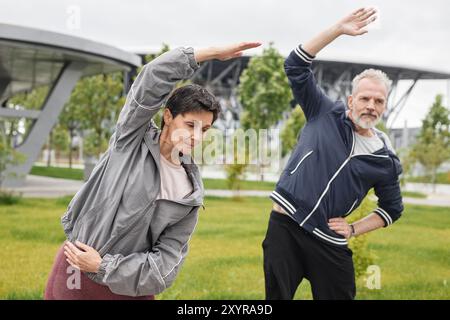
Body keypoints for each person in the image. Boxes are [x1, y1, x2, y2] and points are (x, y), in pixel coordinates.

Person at [44, 42, 261, 299]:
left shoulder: (190, 193)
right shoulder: (131, 139)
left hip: (129, 289)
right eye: (190, 125)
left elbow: (165, 264)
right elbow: (152, 77)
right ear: (168, 116)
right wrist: (208, 54)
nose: (196, 136)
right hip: (75, 275)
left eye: (204, 129)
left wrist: (103, 267)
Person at [263, 8, 403, 300]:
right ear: (351, 100)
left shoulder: (385, 159)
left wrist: (353, 228)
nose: (371, 105)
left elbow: (392, 208)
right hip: (285, 227)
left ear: (384, 107)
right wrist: (338, 29)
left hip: (328, 240)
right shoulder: (323, 111)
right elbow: (295, 65)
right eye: (364, 98)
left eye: (379, 101)